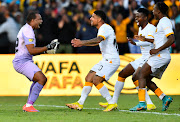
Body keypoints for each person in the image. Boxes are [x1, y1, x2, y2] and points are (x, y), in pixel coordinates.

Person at [99, 8, 156, 111]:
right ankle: (113, 102)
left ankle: (149, 103)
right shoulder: (141, 28)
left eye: (138, 16)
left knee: (136, 78)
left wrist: (136, 43)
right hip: (142, 57)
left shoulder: (151, 28)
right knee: (122, 74)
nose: (136, 18)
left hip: (149, 58)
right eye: (136, 16)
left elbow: (152, 42)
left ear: (145, 17)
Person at [66, 10, 120, 112]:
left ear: (99, 19)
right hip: (106, 60)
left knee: (96, 80)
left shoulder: (104, 28)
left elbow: (98, 40)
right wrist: (82, 44)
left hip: (111, 60)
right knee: (89, 77)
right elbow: (96, 42)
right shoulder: (103, 29)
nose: (90, 18)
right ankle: (80, 103)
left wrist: (82, 42)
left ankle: (111, 102)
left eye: (93, 17)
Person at [130, 2, 174, 111]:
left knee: (140, 74)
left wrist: (157, 49)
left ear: (159, 11)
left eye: (154, 9)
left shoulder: (164, 21)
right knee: (146, 80)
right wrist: (144, 39)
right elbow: (158, 39)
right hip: (161, 56)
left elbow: (172, 39)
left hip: (160, 55)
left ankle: (142, 103)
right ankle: (164, 98)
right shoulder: (161, 22)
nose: (152, 11)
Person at [12, 11, 59, 112]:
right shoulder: (28, 30)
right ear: (32, 20)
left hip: (23, 60)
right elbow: (31, 50)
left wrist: (46, 51)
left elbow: (31, 52)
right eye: (39, 19)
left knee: (39, 79)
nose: (41, 21)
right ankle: (28, 106)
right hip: (22, 61)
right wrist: (47, 47)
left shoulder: (27, 29)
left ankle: (28, 105)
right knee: (41, 79)